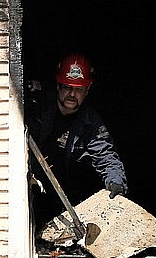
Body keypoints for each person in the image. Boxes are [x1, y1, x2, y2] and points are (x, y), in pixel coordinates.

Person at [27, 52, 128, 226]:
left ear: (87, 91)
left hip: (67, 198)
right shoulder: (36, 110)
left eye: (79, 89)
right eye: (67, 87)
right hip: (33, 192)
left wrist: (116, 183)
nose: (72, 94)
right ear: (58, 85)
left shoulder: (91, 123)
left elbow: (105, 155)